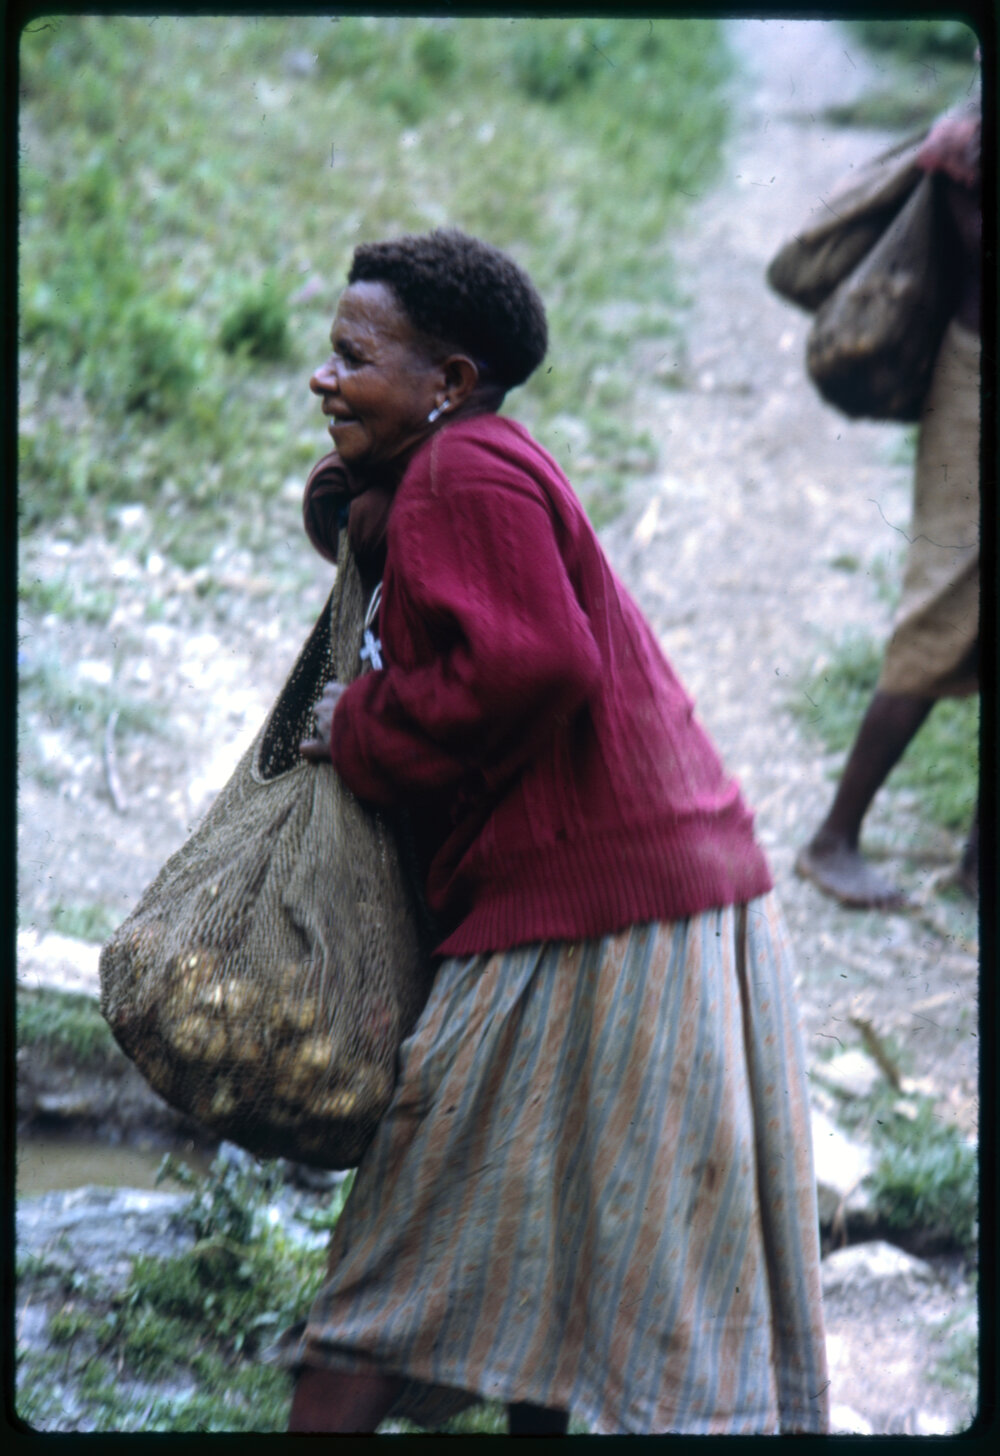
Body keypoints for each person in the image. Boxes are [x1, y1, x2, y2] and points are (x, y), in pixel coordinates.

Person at [272, 229, 829, 1435]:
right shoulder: (465, 462)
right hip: (660, 891)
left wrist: (358, 725)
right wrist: (359, 487)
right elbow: (406, 557)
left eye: (351, 358)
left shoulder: (462, 479)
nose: (324, 379)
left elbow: (531, 662)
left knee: (391, 1259)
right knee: (591, 1250)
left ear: (450, 382)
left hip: (590, 911)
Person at [795, 104, 981, 910]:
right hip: (981, 381)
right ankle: (833, 839)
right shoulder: (973, 132)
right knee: (941, 609)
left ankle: (983, 862)